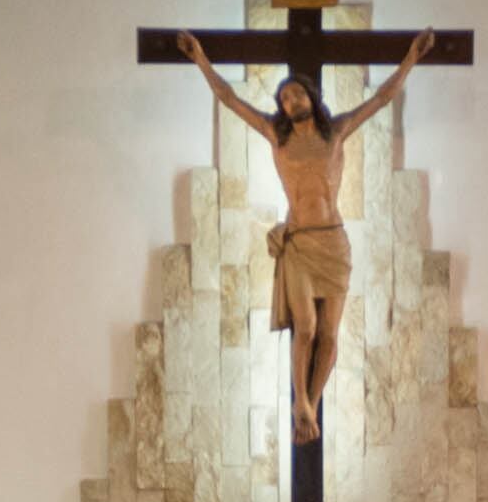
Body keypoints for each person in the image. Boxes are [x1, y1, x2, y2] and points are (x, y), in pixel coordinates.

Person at [177, 27, 442, 442]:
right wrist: (200, 60)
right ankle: (299, 398)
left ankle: (310, 407)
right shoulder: (275, 136)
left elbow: (380, 99)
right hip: (299, 242)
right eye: (283, 98)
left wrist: (410, 58)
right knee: (306, 326)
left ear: (311, 97)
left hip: (333, 242)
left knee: (331, 333)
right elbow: (230, 99)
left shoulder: (334, 132)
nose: (289, 101)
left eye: (296, 94)